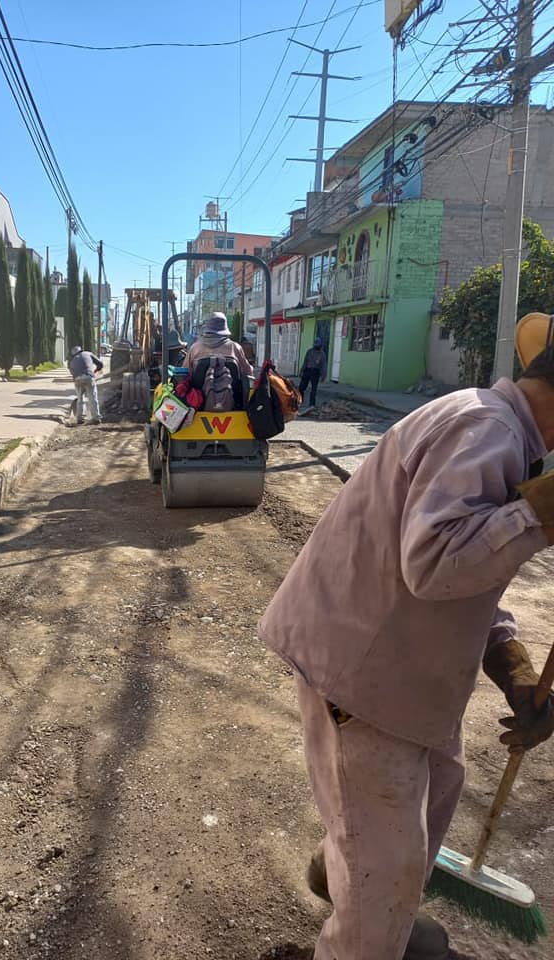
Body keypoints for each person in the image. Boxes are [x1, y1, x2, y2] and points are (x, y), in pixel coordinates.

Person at [258, 311, 554, 960]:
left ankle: (352, 876)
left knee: (436, 794)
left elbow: (473, 581)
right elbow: (436, 563)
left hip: (398, 670)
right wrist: (537, 512)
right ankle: (364, 917)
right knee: (381, 893)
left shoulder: (497, 428)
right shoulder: (488, 430)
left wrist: (514, 667)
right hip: (365, 681)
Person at [185, 311, 254, 381]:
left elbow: (185, 373)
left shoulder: (194, 348)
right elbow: (248, 372)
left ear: (207, 328)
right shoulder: (235, 347)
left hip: (197, 391)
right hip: (231, 391)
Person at [67, 345, 103, 425]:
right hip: (89, 377)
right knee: (92, 398)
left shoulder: (72, 360)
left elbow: (72, 371)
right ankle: (96, 418)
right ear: (81, 350)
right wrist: (96, 370)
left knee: (80, 399)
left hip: (77, 379)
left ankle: (80, 418)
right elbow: (100, 364)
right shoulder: (88, 353)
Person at [299, 336, 327, 407]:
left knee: (314, 389)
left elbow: (323, 366)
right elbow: (305, 361)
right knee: (301, 387)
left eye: (318, 344)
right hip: (307, 371)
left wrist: (323, 376)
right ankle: (300, 400)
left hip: (315, 372)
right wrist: (301, 370)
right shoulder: (309, 351)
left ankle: (312, 404)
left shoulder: (322, 354)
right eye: (315, 344)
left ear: (320, 345)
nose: (316, 345)